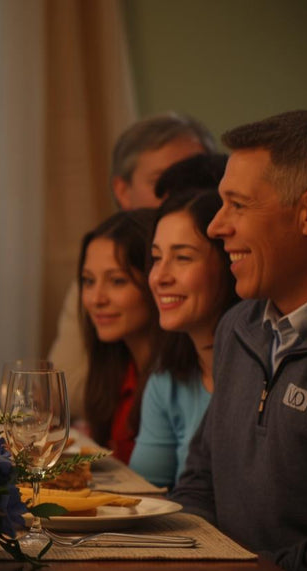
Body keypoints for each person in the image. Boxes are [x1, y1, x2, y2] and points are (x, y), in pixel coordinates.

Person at [170, 110, 307, 571]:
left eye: (237, 205)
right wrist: (195, 565)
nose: (216, 226)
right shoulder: (238, 327)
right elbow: (199, 483)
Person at [49, 113, 215, 419]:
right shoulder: (103, 257)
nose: (181, 196)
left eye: (194, 180)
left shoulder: (230, 277)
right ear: (123, 191)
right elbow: (60, 389)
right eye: (161, 182)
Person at [129, 187, 238, 488]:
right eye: (156, 258)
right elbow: (146, 493)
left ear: (231, 264)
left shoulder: (261, 374)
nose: (160, 277)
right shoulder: (168, 378)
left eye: (183, 258)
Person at [78, 208, 160, 463]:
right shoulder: (118, 368)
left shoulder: (175, 381)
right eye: (88, 281)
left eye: (117, 281)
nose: (96, 299)